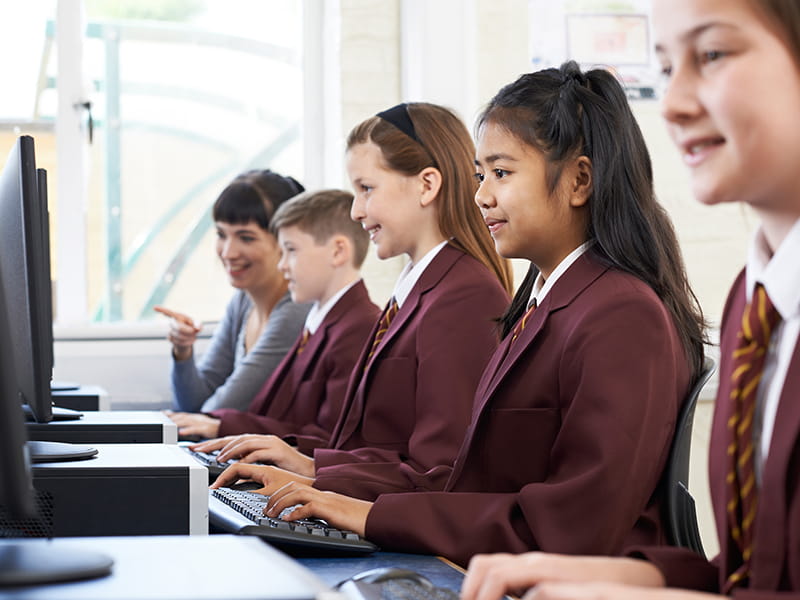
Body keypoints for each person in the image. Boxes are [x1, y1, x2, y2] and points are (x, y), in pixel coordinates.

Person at [214, 62, 707, 568]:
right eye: (479, 175)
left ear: (579, 180)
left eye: (502, 173)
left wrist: (366, 514)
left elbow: (574, 525)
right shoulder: (544, 304)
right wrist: (333, 488)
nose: (481, 196)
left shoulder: (620, 314)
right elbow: (467, 478)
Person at [457, 1, 800, 598]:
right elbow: (762, 573)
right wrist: (645, 577)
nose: (672, 104)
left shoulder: (624, 311)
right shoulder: (757, 296)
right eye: (667, 68)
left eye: (712, 54)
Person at [209, 101, 513, 498]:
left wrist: (318, 475)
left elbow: (441, 471)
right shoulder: (418, 290)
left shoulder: (464, 295)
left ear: (426, 185)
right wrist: (309, 464)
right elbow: (375, 444)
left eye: (366, 189)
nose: (355, 210)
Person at [171, 189, 379, 449]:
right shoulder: (319, 322)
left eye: (291, 250)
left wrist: (224, 426)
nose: (282, 265)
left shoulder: (358, 327)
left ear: (338, 252)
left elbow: (330, 440)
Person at [155, 169, 311, 420]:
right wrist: (183, 351)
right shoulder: (243, 301)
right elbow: (192, 404)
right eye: (221, 234)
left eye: (246, 238)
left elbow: (215, 413)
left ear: (285, 239)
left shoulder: (296, 310)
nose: (228, 252)